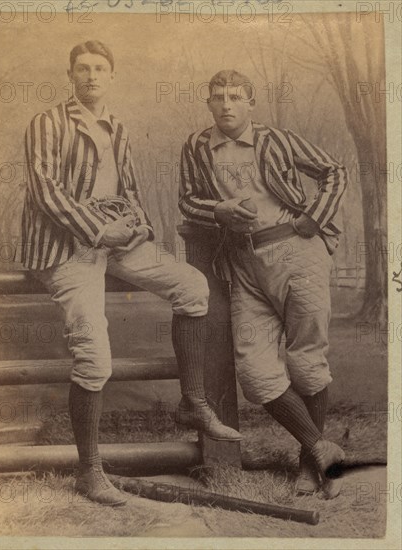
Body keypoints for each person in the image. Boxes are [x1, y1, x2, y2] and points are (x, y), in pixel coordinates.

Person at [20, 43, 242, 506]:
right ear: (70, 75)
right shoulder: (48, 122)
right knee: (95, 357)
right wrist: (100, 228)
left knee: (193, 286)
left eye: (100, 68)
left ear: (112, 75)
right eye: (83, 68)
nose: (92, 76)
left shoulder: (116, 126)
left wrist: (137, 226)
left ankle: (194, 402)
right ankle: (90, 471)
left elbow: (131, 187)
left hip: (118, 239)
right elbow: (46, 192)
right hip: (67, 247)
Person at [179, 69, 349, 499]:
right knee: (255, 375)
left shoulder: (278, 139)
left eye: (236, 97)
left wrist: (314, 217)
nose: (227, 105)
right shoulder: (198, 147)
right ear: (209, 103)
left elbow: (334, 171)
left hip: (297, 253)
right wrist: (220, 210)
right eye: (218, 97)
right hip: (242, 262)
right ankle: (319, 447)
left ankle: (309, 469)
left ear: (251, 103)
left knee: (307, 360)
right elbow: (187, 199)